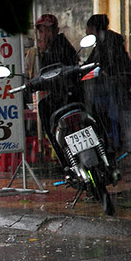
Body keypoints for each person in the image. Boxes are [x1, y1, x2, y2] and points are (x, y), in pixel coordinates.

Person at [34, 14, 82, 156]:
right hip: (60, 94)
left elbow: (52, 72)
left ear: (56, 30)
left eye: (48, 30)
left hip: (68, 93)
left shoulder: (60, 45)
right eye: (42, 31)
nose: (45, 35)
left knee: (43, 106)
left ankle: (59, 150)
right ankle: (58, 147)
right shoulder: (48, 49)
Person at [85, 14, 131, 152]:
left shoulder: (109, 41)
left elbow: (105, 63)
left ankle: (113, 140)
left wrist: (103, 71)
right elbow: (92, 62)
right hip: (115, 80)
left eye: (88, 28)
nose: (86, 32)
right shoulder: (104, 40)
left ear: (93, 28)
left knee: (103, 105)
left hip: (118, 81)